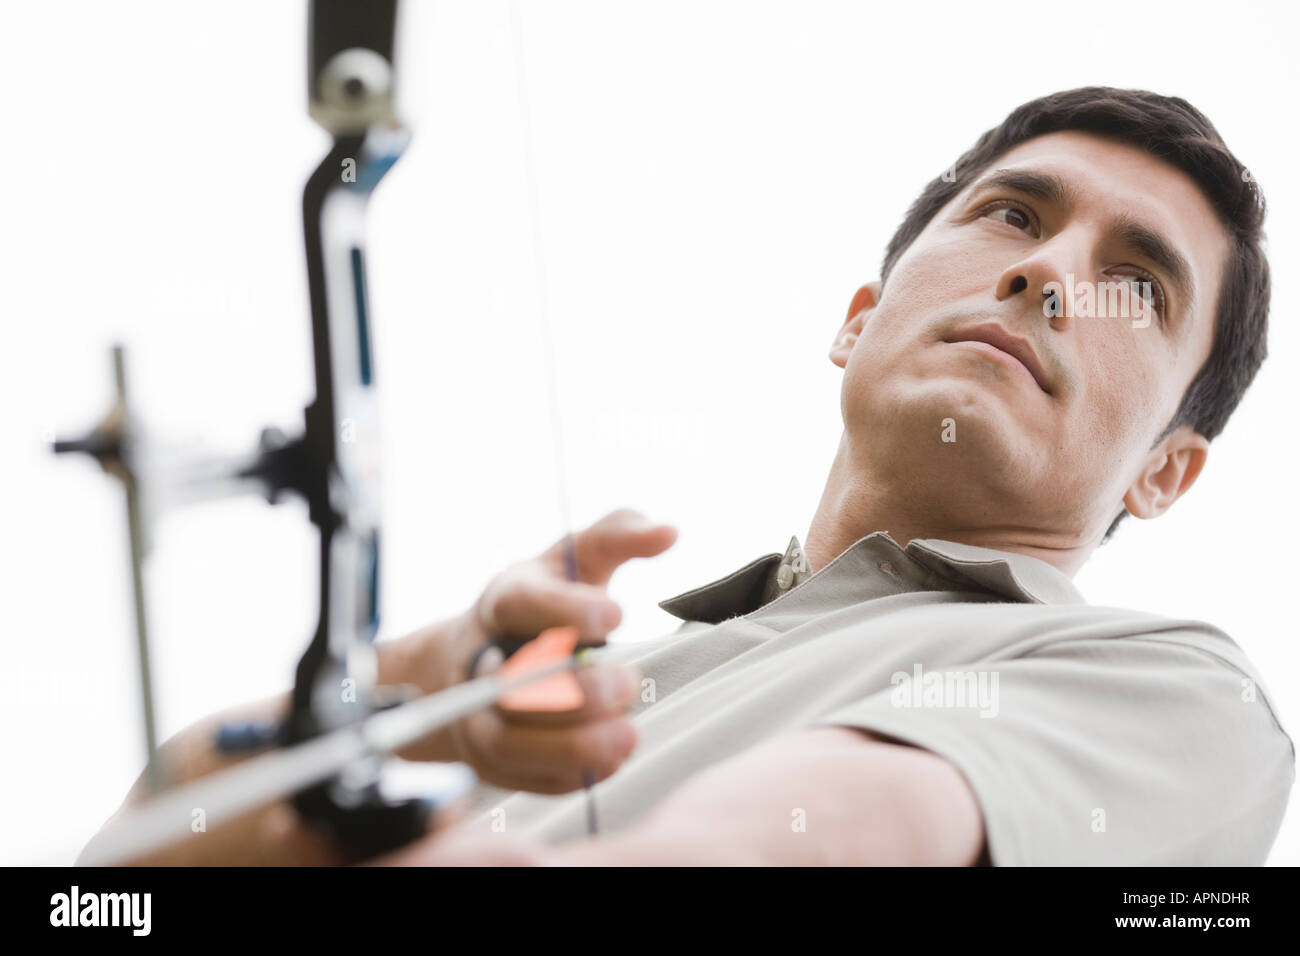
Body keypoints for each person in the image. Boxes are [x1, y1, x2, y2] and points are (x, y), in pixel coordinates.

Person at [84, 86, 1294, 866]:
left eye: (1138, 284)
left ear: (1167, 474)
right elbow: (125, 857)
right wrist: (421, 673)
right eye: (1013, 216)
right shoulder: (581, 682)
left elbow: (823, 837)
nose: (1049, 278)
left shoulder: (1179, 693)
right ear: (857, 319)